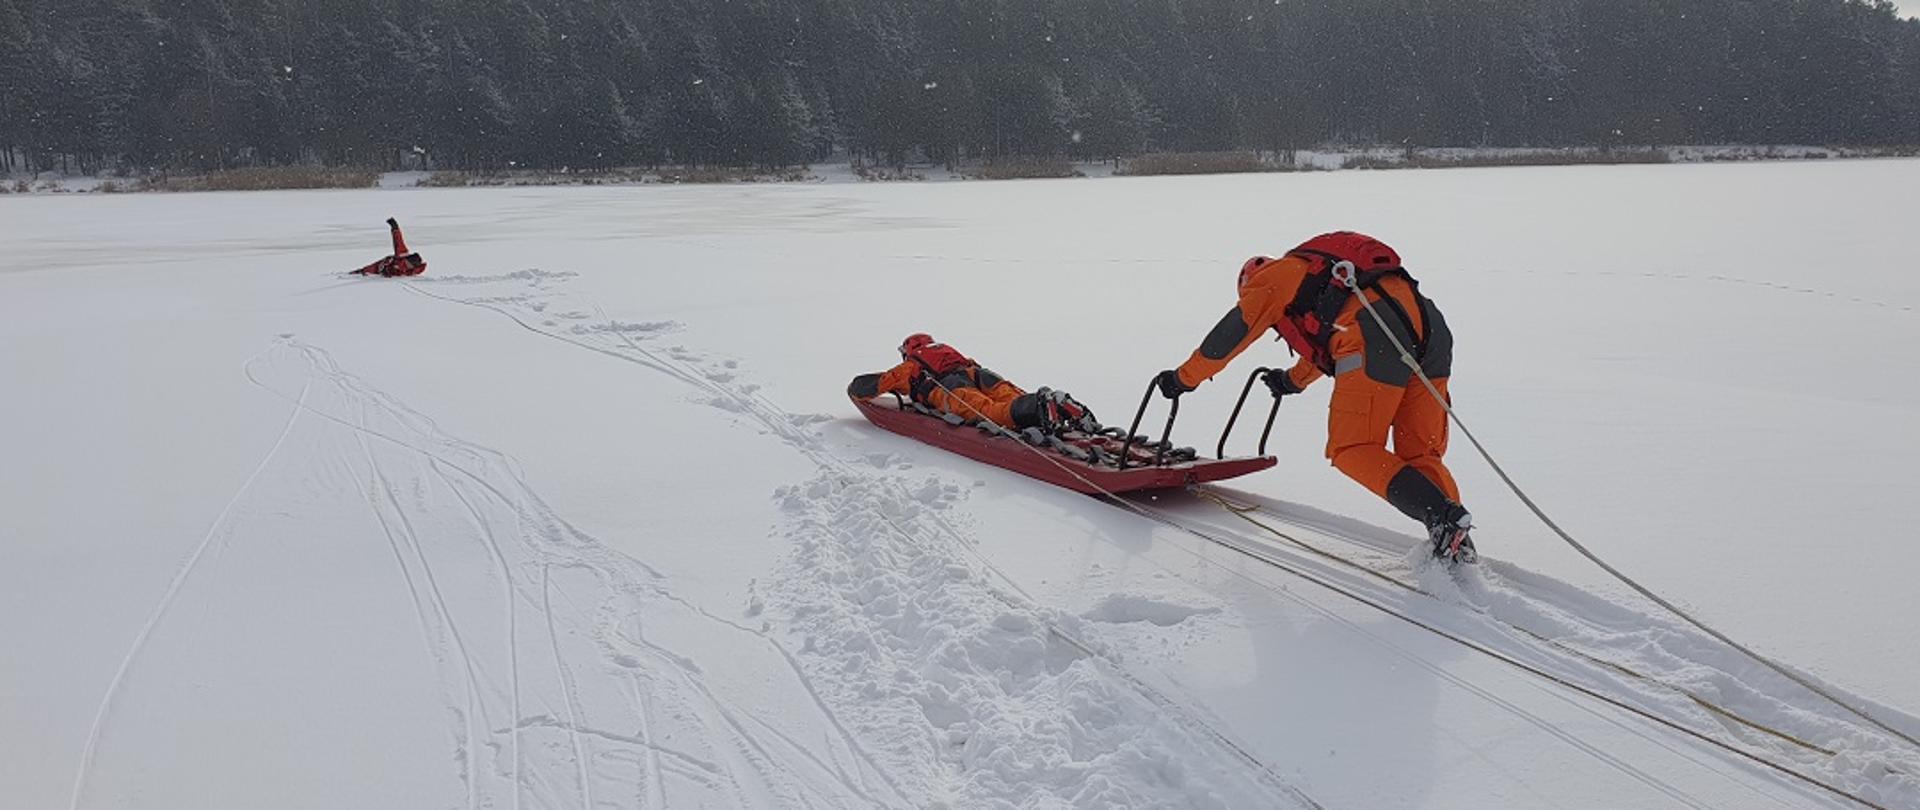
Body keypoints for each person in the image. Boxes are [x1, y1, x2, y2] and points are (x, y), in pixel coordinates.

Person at [1153, 231, 1474, 561]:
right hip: (1430, 331)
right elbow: (1328, 344)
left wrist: (1183, 378)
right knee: (1421, 454)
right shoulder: (1320, 277)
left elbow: (1232, 333)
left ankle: (1439, 517)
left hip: (1375, 333)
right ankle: (1457, 545)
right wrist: (1291, 381)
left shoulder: (1272, 278)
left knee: (1352, 448)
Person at [849, 333, 1094, 434]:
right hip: (979, 373)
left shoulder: (911, 364)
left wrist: (856, 388)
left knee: (988, 412)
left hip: (950, 386)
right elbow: (970, 365)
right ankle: (1054, 404)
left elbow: (869, 386)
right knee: (1009, 396)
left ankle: (1039, 406)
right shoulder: (947, 352)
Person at [351, 218, 427, 277]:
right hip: (382, 265)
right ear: (407, 258)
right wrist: (395, 227)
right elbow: (398, 240)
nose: (407, 265)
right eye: (408, 262)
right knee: (367, 270)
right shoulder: (402, 253)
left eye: (410, 265)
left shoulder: (413, 270)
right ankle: (356, 273)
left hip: (387, 273)